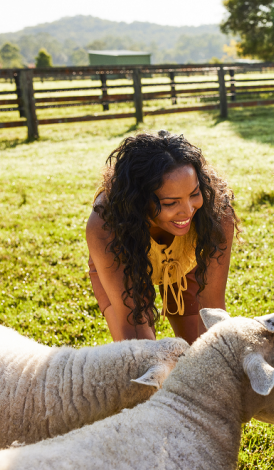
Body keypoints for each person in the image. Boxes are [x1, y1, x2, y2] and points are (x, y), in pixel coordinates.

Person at [86, 131, 238, 345]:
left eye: (194, 194)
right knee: (138, 352)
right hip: (128, 261)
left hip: (186, 263)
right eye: (170, 203)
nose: (187, 211)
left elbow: (212, 310)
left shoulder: (216, 213)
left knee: (202, 347)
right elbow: (133, 326)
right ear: (137, 201)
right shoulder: (105, 225)